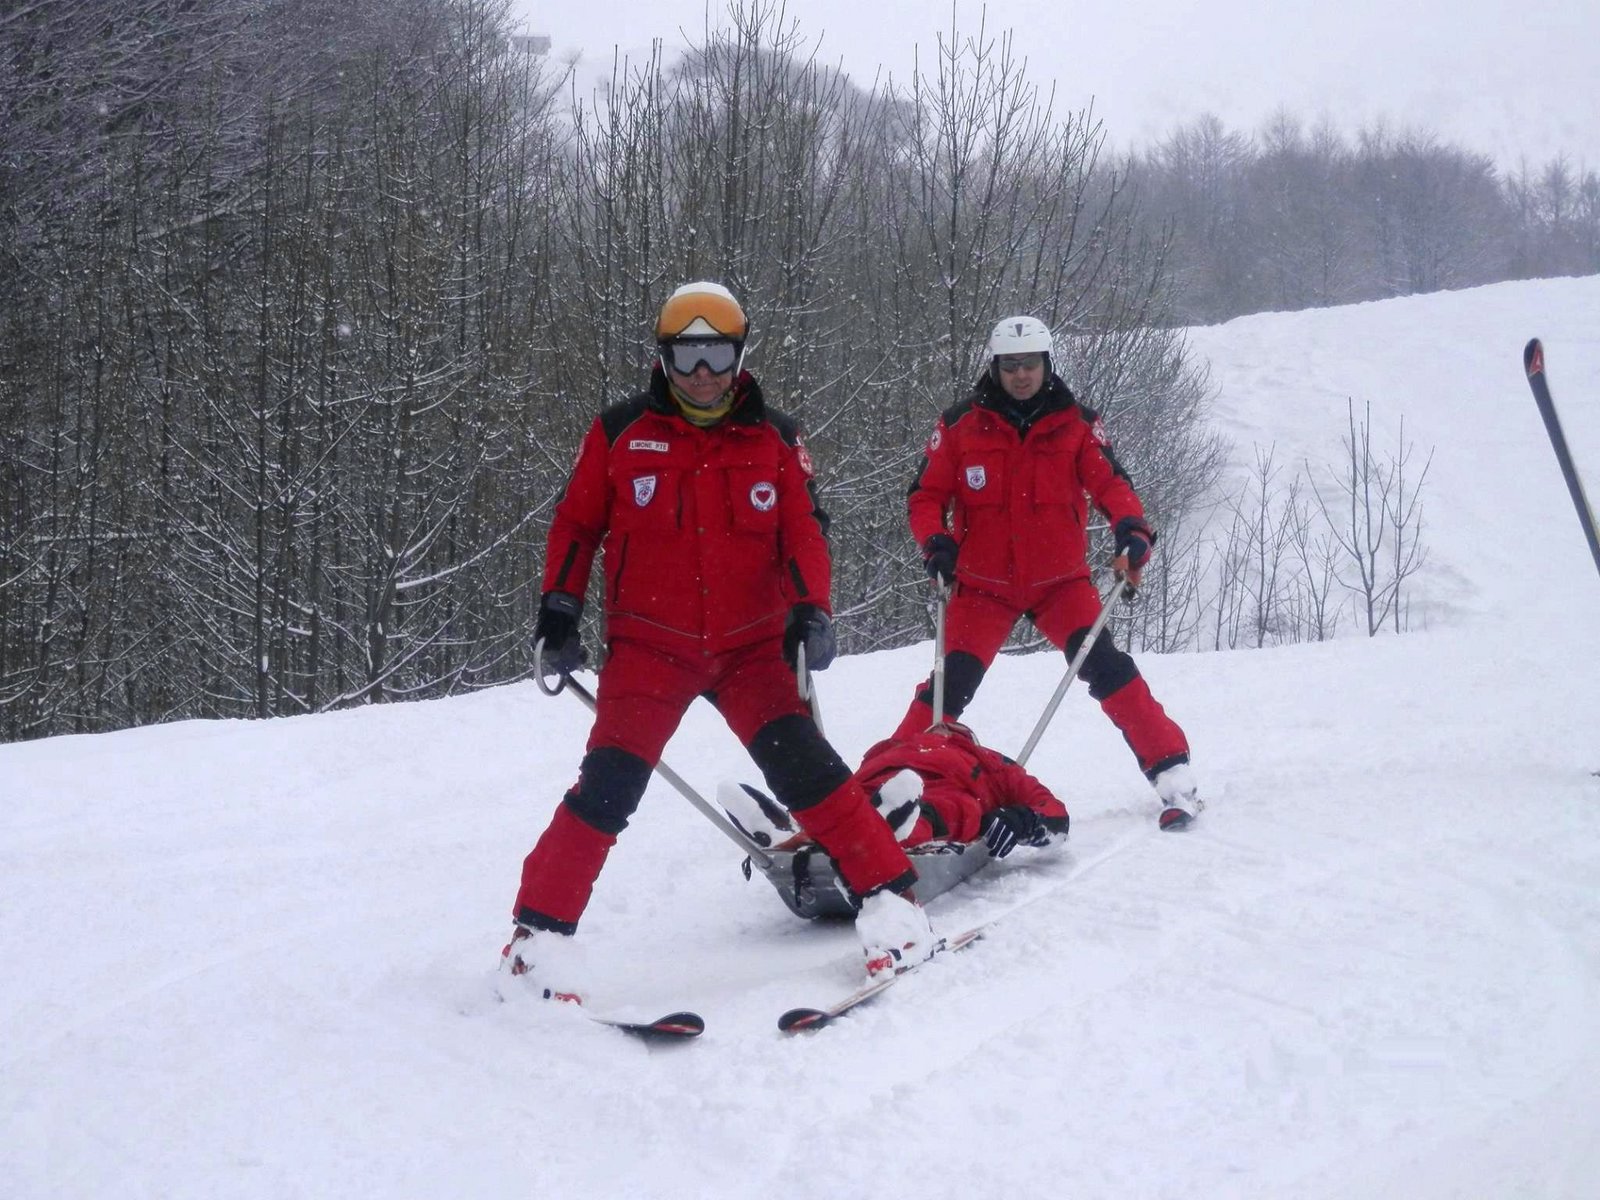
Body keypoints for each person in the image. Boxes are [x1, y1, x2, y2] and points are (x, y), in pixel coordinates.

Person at [503, 281, 934, 992]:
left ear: (739, 356)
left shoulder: (776, 438)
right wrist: (559, 608)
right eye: (688, 354)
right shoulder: (618, 432)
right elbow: (578, 525)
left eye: (717, 354)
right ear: (664, 357)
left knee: (812, 776)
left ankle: (894, 908)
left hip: (750, 650)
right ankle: (536, 943)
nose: (703, 372)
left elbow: (802, 532)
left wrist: (812, 609)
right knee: (605, 791)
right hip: (650, 649)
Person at [892, 315, 1203, 830]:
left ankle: (1173, 774)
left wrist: (1132, 529)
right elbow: (926, 496)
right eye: (1011, 365)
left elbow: (1110, 485)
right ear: (996, 366)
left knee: (1107, 669)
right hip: (983, 587)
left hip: (1059, 584)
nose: (1020, 375)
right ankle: (889, 781)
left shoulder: (1076, 423)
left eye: (1030, 364)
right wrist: (935, 543)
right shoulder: (960, 424)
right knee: (946, 690)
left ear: (1046, 364)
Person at [721, 718, 1070, 860]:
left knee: (847, 803)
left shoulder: (987, 760)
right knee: (956, 809)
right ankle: (882, 830)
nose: (942, 733)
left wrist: (1021, 820)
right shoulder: (985, 761)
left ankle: (798, 834)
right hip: (901, 786)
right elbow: (1054, 812)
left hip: (902, 786)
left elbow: (1052, 812)